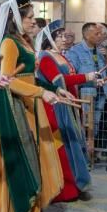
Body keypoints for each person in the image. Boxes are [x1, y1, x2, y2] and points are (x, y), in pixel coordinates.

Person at [0, 0, 64, 212]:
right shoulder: (10, 43)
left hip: (30, 105)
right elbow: (8, 81)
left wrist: (55, 88)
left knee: (31, 156)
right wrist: (41, 92)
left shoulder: (24, 41)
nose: (34, 21)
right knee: (15, 158)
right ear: (16, 19)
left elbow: (31, 76)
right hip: (14, 107)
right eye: (29, 17)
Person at [36, 22, 94, 201]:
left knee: (73, 144)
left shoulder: (62, 56)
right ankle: (64, 189)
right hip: (55, 107)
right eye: (60, 36)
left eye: (65, 36)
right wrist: (86, 77)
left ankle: (76, 184)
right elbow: (59, 81)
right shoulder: (46, 57)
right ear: (51, 39)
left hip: (67, 104)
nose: (64, 39)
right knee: (62, 146)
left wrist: (92, 80)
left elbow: (68, 79)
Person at [66, 22, 107, 136]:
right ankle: (84, 148)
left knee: (96, 122)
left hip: (102, 91)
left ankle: (92, 148)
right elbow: (72, 73)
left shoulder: (101, 49)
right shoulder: (74, 51)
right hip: (86, 92)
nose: (100, 36)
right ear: (87, 35)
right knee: (86, 122)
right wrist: (88, 77)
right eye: (97, 34)